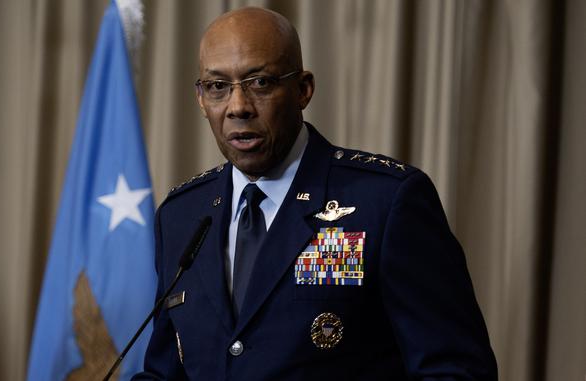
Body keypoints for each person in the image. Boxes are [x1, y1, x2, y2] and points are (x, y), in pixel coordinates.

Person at [133, 6, 497, 381]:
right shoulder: (181, 216)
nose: (237, 107)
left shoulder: (387, 203)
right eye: (218, 87)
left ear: (302, 90)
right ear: (200, 98)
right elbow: (164, 374)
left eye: (260, 82)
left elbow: (457, 371)